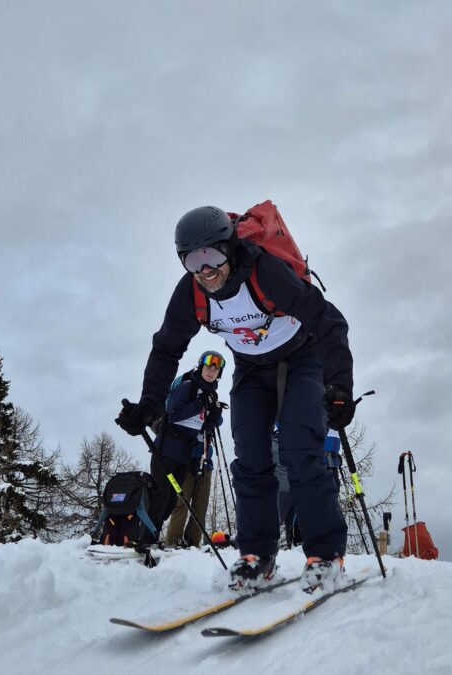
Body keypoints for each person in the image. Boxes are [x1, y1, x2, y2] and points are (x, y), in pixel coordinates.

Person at [116, 205, 354, 592]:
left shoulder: (266, 274)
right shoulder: (191, 292)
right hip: (252, 368)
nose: (205, 269)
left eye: (212, 255)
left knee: (300, 450)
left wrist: (340, 386)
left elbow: (328, 321)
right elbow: (166, 349)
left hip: (301, 358)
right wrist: (149, 405)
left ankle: (325, 554)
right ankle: (257, 555)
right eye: (192, 260)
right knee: (250, 456)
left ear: (230, 248)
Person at [149, 351, 224, 542]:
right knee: (161, 496)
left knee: (171, 500)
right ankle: (145, 536)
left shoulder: (210, 393)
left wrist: (215, 414)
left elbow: (204, 426)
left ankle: (152, 537)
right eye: (208, 367)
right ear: (201, 367)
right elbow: (173, 414)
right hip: (167, 451)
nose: (211, 372)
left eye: (215, 369)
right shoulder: (187, 387)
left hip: (184, 455)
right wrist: (200, 404)